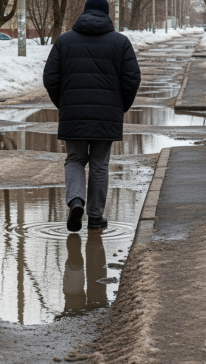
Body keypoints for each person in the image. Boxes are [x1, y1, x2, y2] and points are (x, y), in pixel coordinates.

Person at [42, 0, 141, 232]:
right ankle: (95, 217)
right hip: (106, 115)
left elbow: (50, 78)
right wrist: (119, 108)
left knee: (75, 160)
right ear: (107, 15)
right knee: (99, 165)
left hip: (73, 113)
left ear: (84, 13)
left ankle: (76, 201)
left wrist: (65, 104)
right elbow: (132, 79)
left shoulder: (64, 41)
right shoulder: (121, 42)